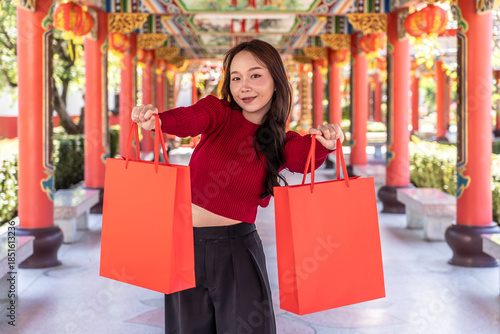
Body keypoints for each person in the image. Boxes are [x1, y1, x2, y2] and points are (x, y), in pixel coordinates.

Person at [131, 39, 344, 334]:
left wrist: (324, 144)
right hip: (184, 248)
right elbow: (189, 119)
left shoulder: (281, 141)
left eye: (256, 75)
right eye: (236, 77)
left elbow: (301, 160)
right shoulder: (217, 113)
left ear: (275, 82)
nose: (244, 86)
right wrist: (157, 120)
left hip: (237, 252)